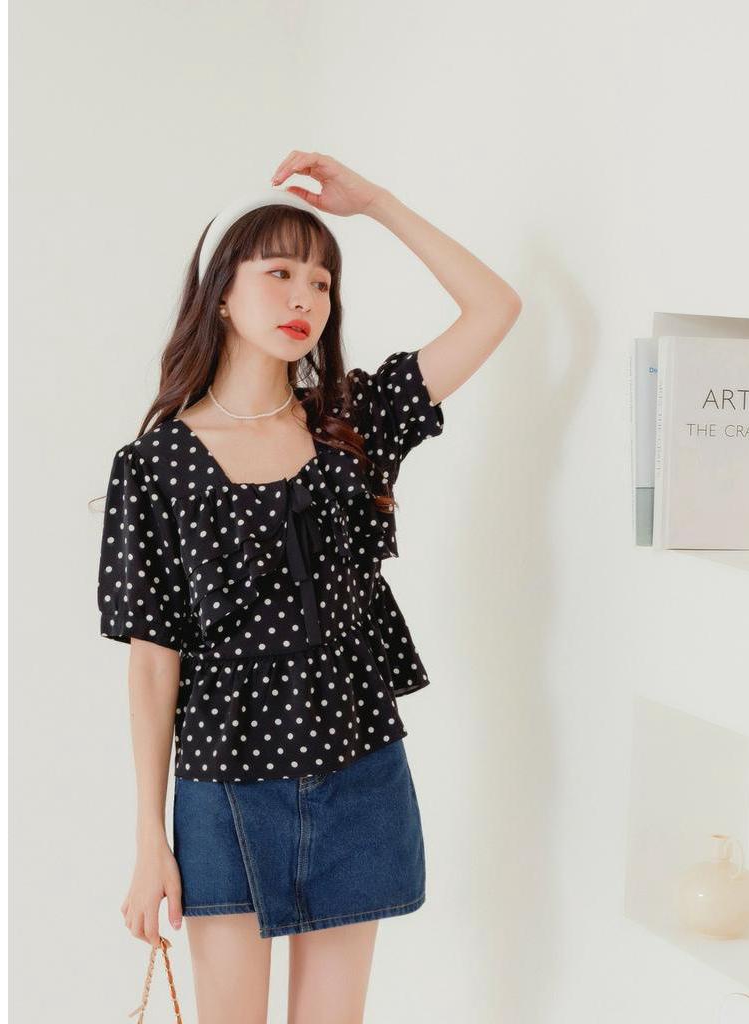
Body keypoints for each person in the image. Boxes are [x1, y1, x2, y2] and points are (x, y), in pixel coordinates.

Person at [94, 151, 522, 1024]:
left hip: (359, 770)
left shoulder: (350, 423)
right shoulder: (156, 465)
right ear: (221, 293)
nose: (305, 298)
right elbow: (152, 662)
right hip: (224, 783)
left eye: (322, 282)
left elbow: (494, 309)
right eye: (279, 273)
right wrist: (149, 839)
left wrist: (379, 204)